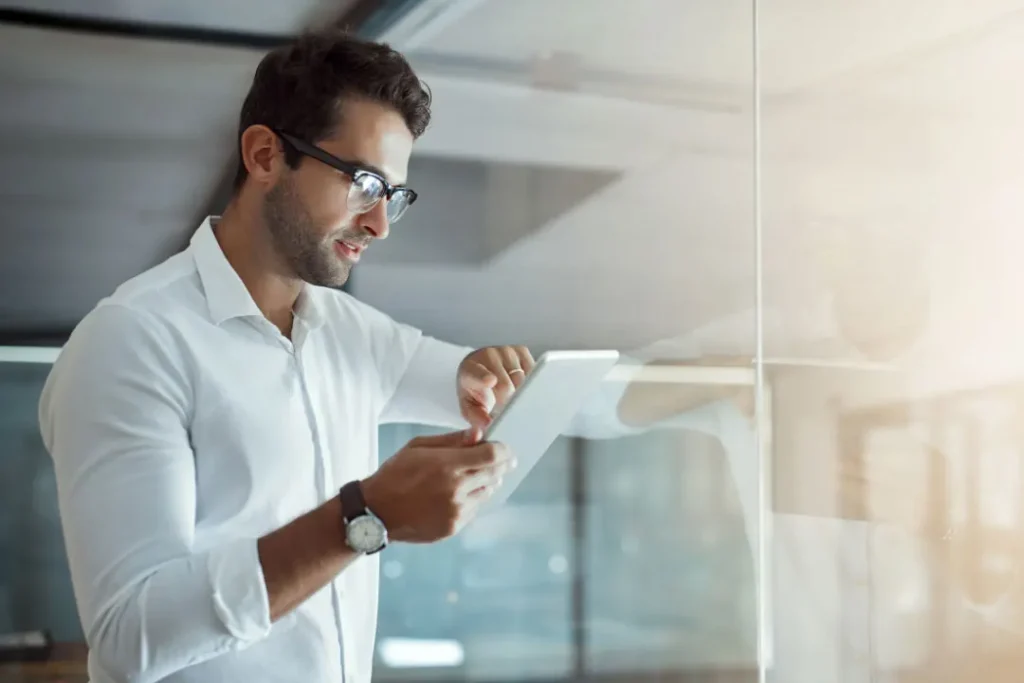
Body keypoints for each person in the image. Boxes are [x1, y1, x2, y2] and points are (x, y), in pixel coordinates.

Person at [38, 30, 538, 683]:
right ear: (266, 154)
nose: (380, 223)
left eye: (393, 194)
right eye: (363, 182)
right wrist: (362, 516)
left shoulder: (349, 333)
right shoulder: (132, 341)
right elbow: (130, 636)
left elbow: (483, 382)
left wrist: (492, 373)